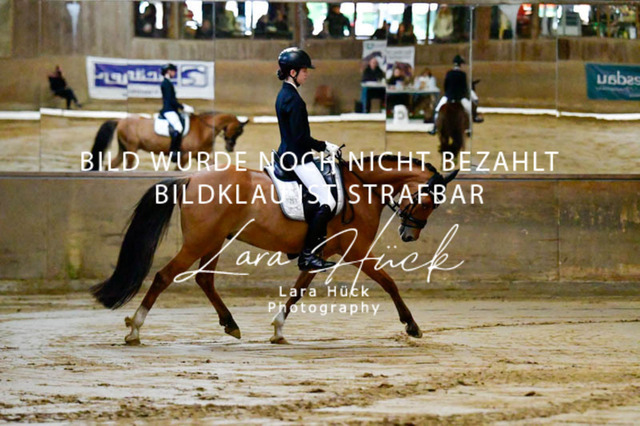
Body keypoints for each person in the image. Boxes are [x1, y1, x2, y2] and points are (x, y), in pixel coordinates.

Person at [274, 47, 340, 271]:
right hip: (297, 158)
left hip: (288, 153)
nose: (307, 74)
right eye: (304, 71)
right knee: (328, 201)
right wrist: (324, 146)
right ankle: (308, 255)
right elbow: (300, 138)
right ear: (292, 73)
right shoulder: (293, 100)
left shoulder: (285, 94)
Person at [429, 55, 483, 135]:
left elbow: (445, 86)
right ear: (460, 64)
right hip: (460, 98)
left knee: (438, 110)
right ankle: (470, 126)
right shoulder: (462, 74)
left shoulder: (448, 73)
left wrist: (448, 93)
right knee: (469, 110)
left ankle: (434, 128)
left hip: (448, 97)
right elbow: (464, 88)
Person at [159, 63, 194, 162]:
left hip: (172, 109)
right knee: (178, 128)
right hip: (168, 110)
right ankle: (173, 151)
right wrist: (183, 107)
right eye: (173, 71)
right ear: (168, 71)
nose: (174, 73)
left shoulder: (168, 82)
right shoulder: (166, 83)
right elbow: (171, 100)